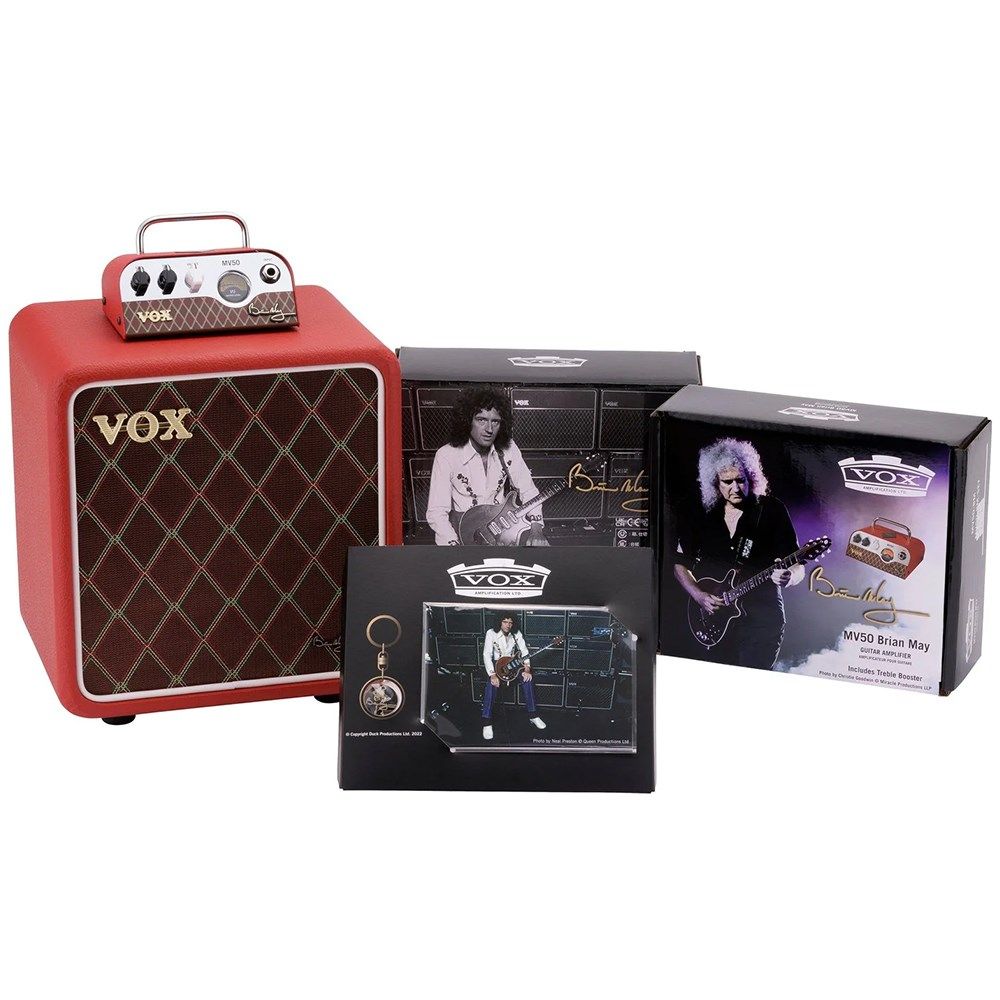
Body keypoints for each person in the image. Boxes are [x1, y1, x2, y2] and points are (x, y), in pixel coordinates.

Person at [673, 437, 804, 669]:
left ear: (751, 477)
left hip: (762, 620)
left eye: (741, 480)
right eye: (727, 481)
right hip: (717, 619)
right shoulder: (704, 515)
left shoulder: (771, 509)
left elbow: (798, 564)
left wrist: (790, 577)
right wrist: (698, 595)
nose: (735, 488)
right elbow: (680, 564)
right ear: (715, 482)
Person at [425, 385, 548, 546]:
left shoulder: (508, 448)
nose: (489, 429)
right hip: (461, 535)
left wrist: (536, 529)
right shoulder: (446, 455)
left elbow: (529, 491)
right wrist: (454, 546)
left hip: (502, 533)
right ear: (467, 421)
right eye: (481, 420)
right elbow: (437, 512)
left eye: (495, 421)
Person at [481, 614, 547, 741]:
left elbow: (524, 651)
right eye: (505, 622)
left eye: (510, 622)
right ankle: (486, 722)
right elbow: (486, 654)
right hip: (497, 666)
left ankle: (533, 715)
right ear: (499, 622)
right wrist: (492, 675)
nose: (508, 625)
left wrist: (527, 669)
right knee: (491, 685)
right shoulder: (491, 633)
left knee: (528, 679)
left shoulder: (516, 634)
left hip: (513, 665)